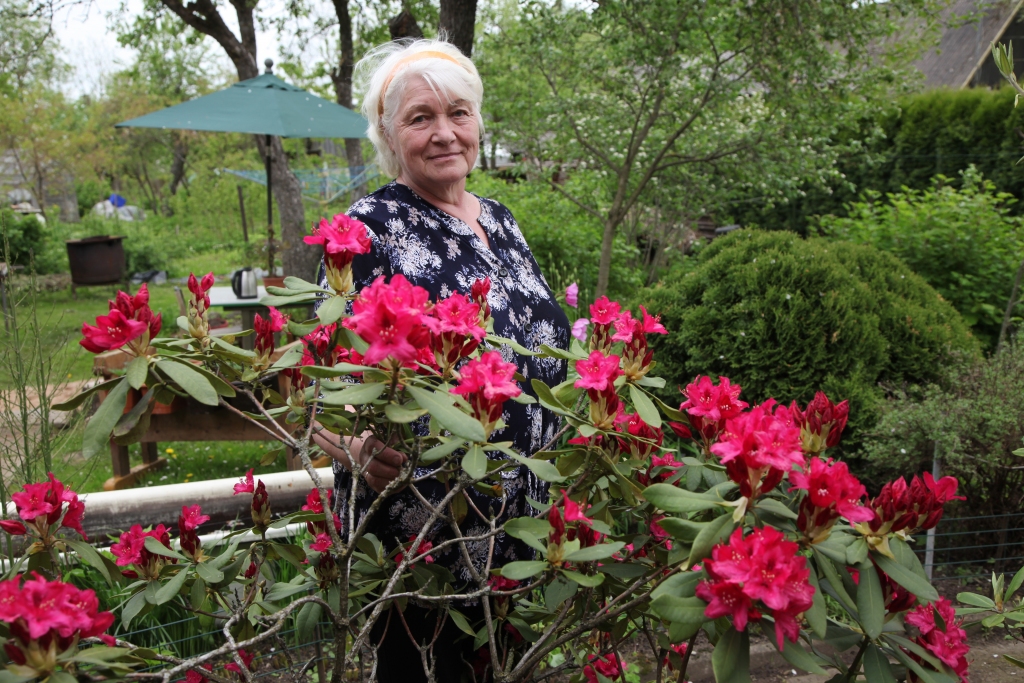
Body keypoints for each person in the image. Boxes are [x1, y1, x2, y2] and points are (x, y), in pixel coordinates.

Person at [310, 39, 571, 682]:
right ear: (388, 135)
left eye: (459, 112)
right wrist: (353, 446)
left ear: (479, 122)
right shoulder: (370, 227)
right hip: (422, 535)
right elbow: (316, 382)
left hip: (521, 529)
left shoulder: (503, 223)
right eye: (420, 117)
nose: (444, 133)